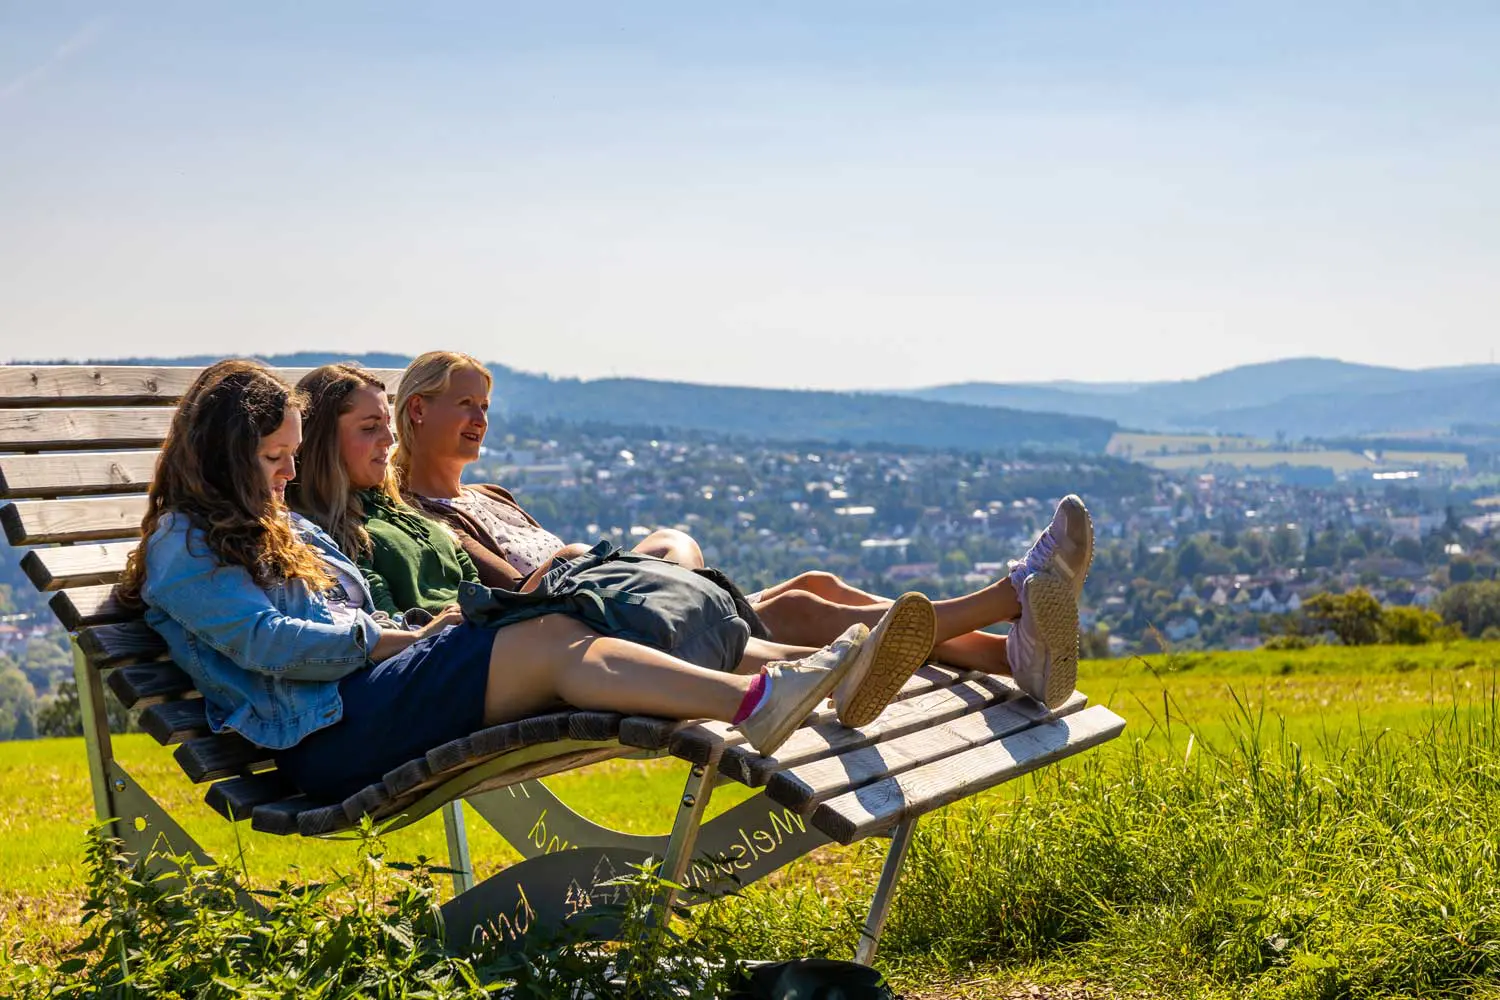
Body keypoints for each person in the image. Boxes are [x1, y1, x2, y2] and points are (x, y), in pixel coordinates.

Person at [118, 360, 931, 803]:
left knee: (554, 629)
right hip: (329, 737)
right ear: (224, 452)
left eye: (295, 452)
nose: (290, 471)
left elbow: (335, 613)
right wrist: (394, 637)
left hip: (366, 695)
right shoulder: (184, 548)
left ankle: (783, 683)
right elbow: (268, 643)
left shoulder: (272, 520)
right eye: (274, 458)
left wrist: (413, 633)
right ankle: (760, 698)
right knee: (544, 636)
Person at [392, 352, 1092, 709]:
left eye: (485, 406)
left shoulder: (492, 495)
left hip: (633, 599)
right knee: (796, 608)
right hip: (603, 626)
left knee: (810, 585)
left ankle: (1013, 658)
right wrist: (596, 560)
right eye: (465, 406)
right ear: (417, 411)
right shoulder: (429, 517)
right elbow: (523, 591)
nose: (480, 420)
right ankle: (1012, 594)